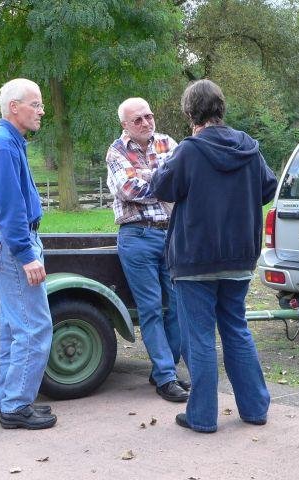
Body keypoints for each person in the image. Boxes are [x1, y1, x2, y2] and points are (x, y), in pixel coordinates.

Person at [151, 79, 278, 432]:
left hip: (195, 259)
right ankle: (255, 409)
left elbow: (161, 186)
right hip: (239, 257)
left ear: (190, 113)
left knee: (200, 338)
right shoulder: (249, 148)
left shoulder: (189, 151)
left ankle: (202, 416)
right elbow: (268, 187)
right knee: (236, 329)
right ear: (221, 108)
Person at [0, 78, 56, 430]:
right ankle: (15, 406)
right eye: (35, 104)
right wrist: (26, 254)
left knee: (12, 327)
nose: (41, 111)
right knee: (34, 328)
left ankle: (9, 400)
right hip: (13, 245)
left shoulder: (7, 142)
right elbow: (10, 207)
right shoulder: (2, 146)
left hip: (8, 242)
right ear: (14, 107)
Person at [106, 97, 189, 402]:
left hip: (171, 234)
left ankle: (164, 370)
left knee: (178, 305)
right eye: (137, 119)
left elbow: (184, 181)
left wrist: (147, 176)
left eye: (149, 116)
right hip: (137, 236)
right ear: (125, 125)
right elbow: (129, 190)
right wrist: (163, 180)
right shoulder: (116, 151)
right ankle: (166, 377)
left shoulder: (169, 143)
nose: (146, 122)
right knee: (151, 308)